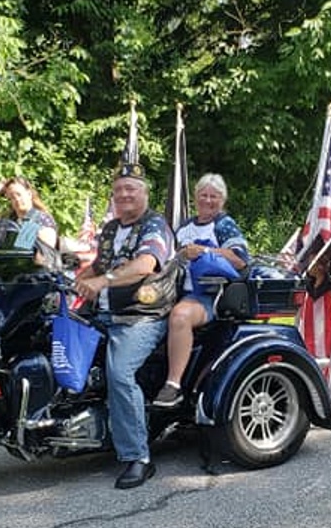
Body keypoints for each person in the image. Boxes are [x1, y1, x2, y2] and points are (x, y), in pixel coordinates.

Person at [73, 163, 171, 489]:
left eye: (131, 188)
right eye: (118, 190)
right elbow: (97, 267)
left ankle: (138, 457)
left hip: (140, 316)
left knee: (120, 373)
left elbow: (145, 264)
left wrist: (103, 280)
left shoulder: (155, 225)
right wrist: (67, 280)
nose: (124, 194)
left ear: (144, 193)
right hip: (102, 313)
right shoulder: (112, 228)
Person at [152, 174, 250, 408]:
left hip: (208, 295)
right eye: (203, 195)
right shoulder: (185, 226)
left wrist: (205, 252)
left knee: (180, 316)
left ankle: (173, 386)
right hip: (174, 290)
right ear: (195, 197)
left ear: (222, 200)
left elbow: (240, 260)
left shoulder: (224, 224)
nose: (208, 200)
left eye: (213, 196)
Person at [0, 176, 59, 251]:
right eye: (12, 197)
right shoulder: (5, 219)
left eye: (19, 194)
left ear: (29, 194)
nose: (17, 200)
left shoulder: (42, 220)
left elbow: (45, 257)